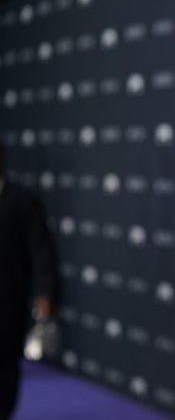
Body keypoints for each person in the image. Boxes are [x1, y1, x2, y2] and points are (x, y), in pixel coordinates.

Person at [0, 141, 57, 420]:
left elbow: (41, 251)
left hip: (9, 302)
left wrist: (44, 295)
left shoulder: (23, 200)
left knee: (6, 369)